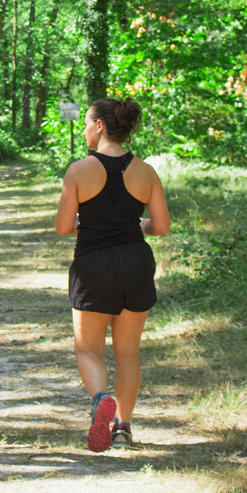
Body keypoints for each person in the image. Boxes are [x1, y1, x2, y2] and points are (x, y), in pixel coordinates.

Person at [54, 98, 170, 452]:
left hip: (94, 263)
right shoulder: (146, 171)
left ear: (100, 125)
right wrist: (140, 224)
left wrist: (81, 224)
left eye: (88, 122)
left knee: (89, 349)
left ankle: (100, 398)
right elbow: (161, 226)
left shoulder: (79, 170)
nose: (86, 129)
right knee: (127, 353)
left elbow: (62, 227)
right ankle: (123, 427)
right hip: (135, 261)